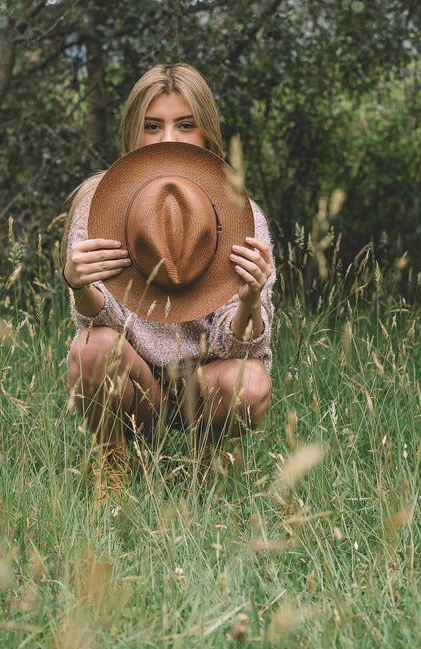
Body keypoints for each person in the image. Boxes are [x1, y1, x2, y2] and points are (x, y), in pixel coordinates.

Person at [62, 63, 274, 498]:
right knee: (91, 349)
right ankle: (114, 458)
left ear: (207, 134)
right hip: (139, 383)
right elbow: (97, 327)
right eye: (152, 125)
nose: (169, 139)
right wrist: (79, 286)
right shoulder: (99, 205)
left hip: (206, 384)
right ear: (132, 133)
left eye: (185, 125)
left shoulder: (241, 214)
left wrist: (250, 302)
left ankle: (207, 465)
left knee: (249, 383)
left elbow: (244, 351)